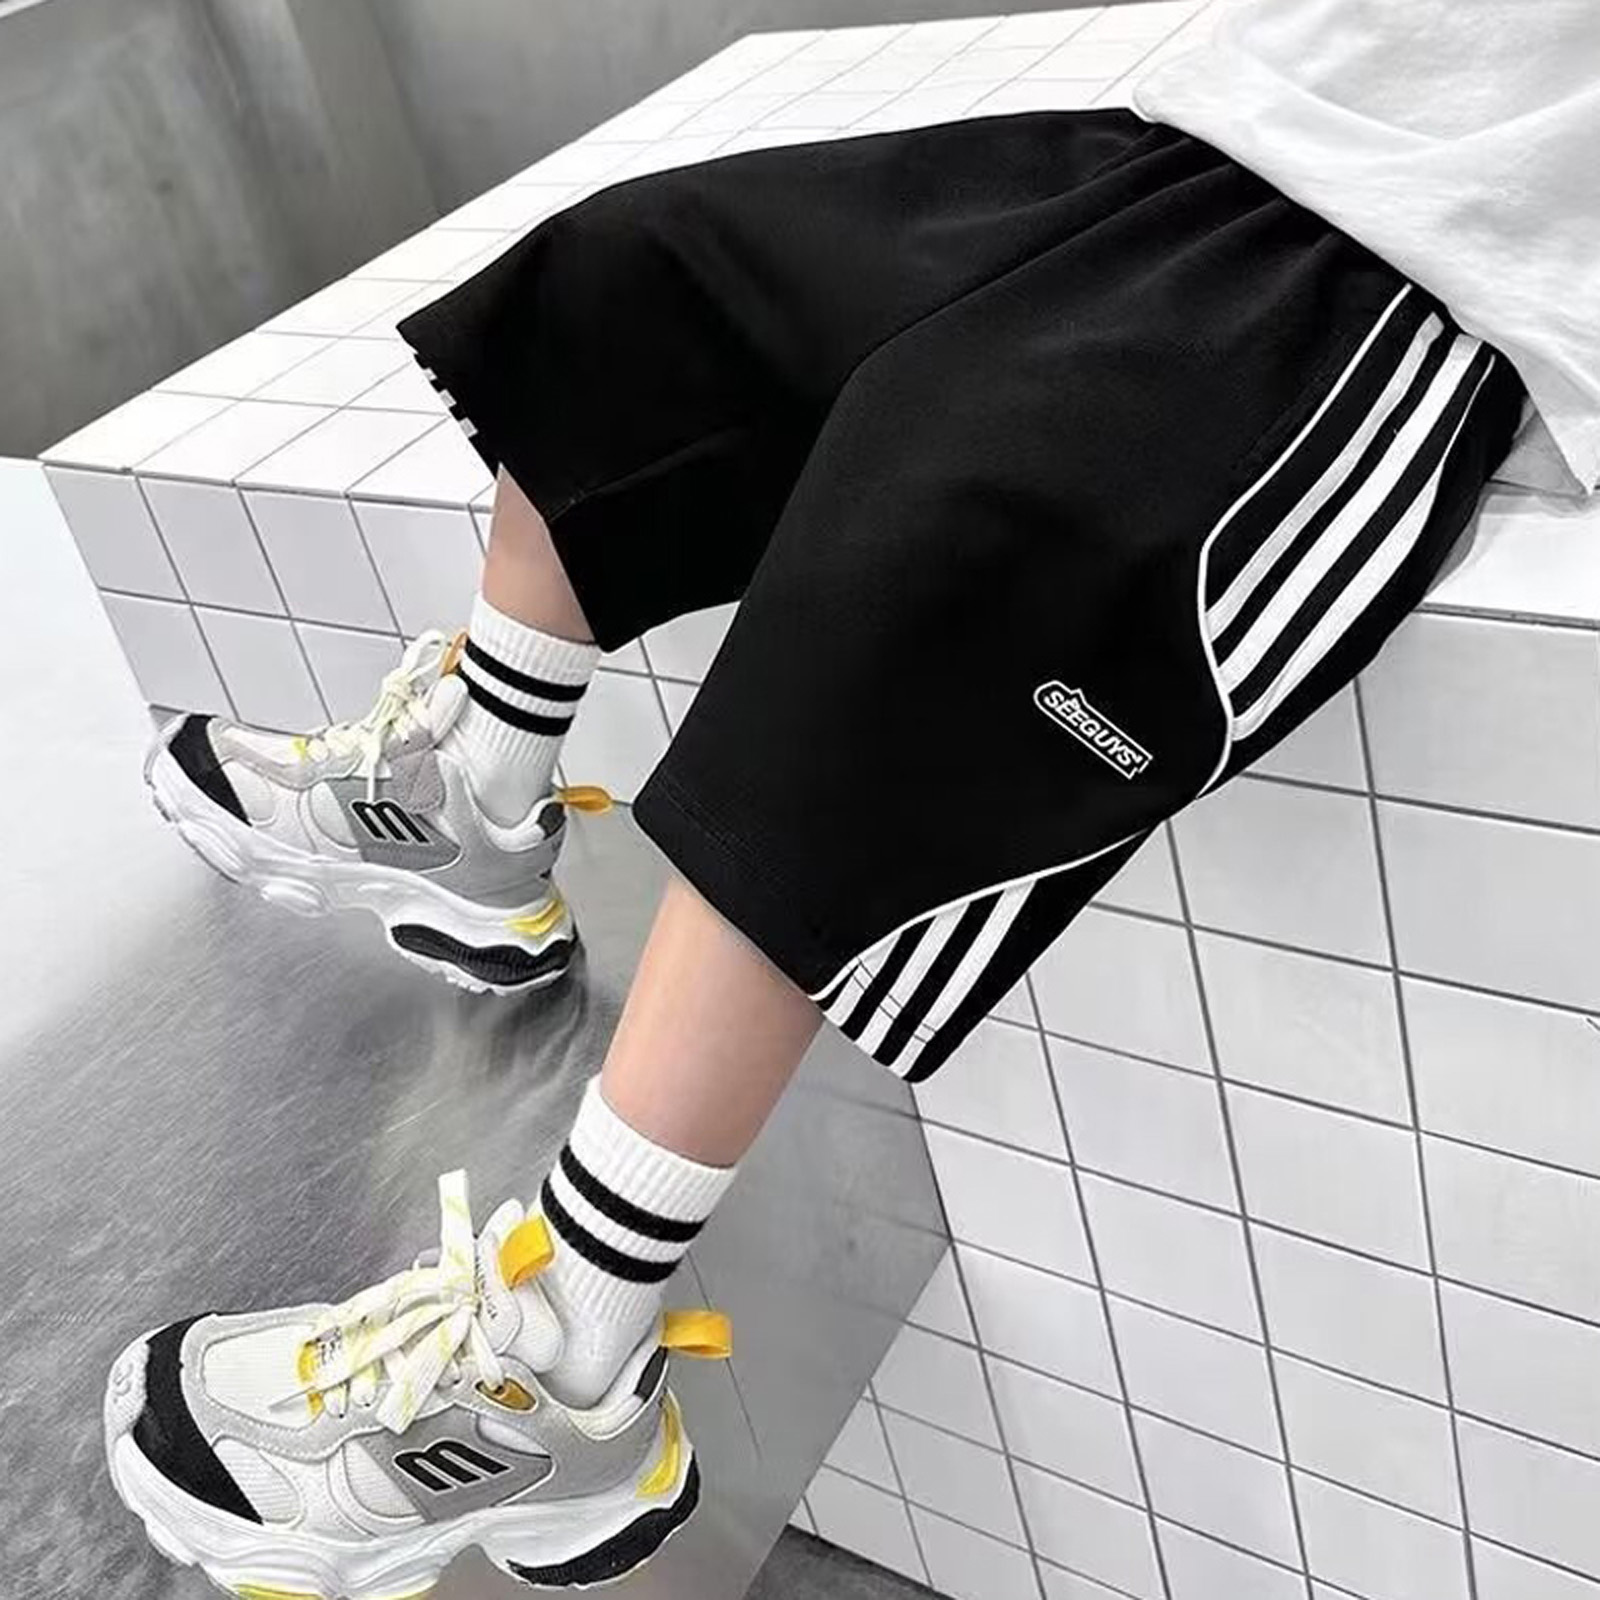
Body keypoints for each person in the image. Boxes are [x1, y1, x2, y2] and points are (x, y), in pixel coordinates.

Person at [103, 0, 1598, 1593]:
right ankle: (475, 787)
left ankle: (563, 1363)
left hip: (1421, 284)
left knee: (936, 573)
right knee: (638, 280)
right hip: (1213, 142)